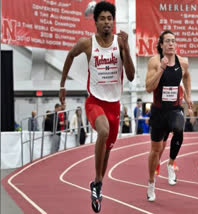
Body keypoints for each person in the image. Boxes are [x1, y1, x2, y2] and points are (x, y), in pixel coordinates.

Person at [59, 1, 135, 213]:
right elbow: (70, 55)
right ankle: (98, 181)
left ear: (114, 21)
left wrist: (127, 48)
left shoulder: (120, 43)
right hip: (94, 102)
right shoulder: (87, 43)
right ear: (96, 22)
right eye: (102, 19)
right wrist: (63, 84)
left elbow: (130, 75)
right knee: (103, 131)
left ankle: (97, 184)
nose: (106, 22)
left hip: (114, 105)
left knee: (108, 149)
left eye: (109, 18)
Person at [145, 30, 192, 202]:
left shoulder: (183, 62)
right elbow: (148, 87)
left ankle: (171, 163)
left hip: (174, 109)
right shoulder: (154, 61)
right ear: (161, 44)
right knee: (155, 150)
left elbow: (186, 78)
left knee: (179, 128)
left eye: (173, 41)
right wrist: (161, 69)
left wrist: (189, 96)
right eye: (168, 41)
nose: (171, 44)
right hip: (158, 112)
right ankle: (151, 183)